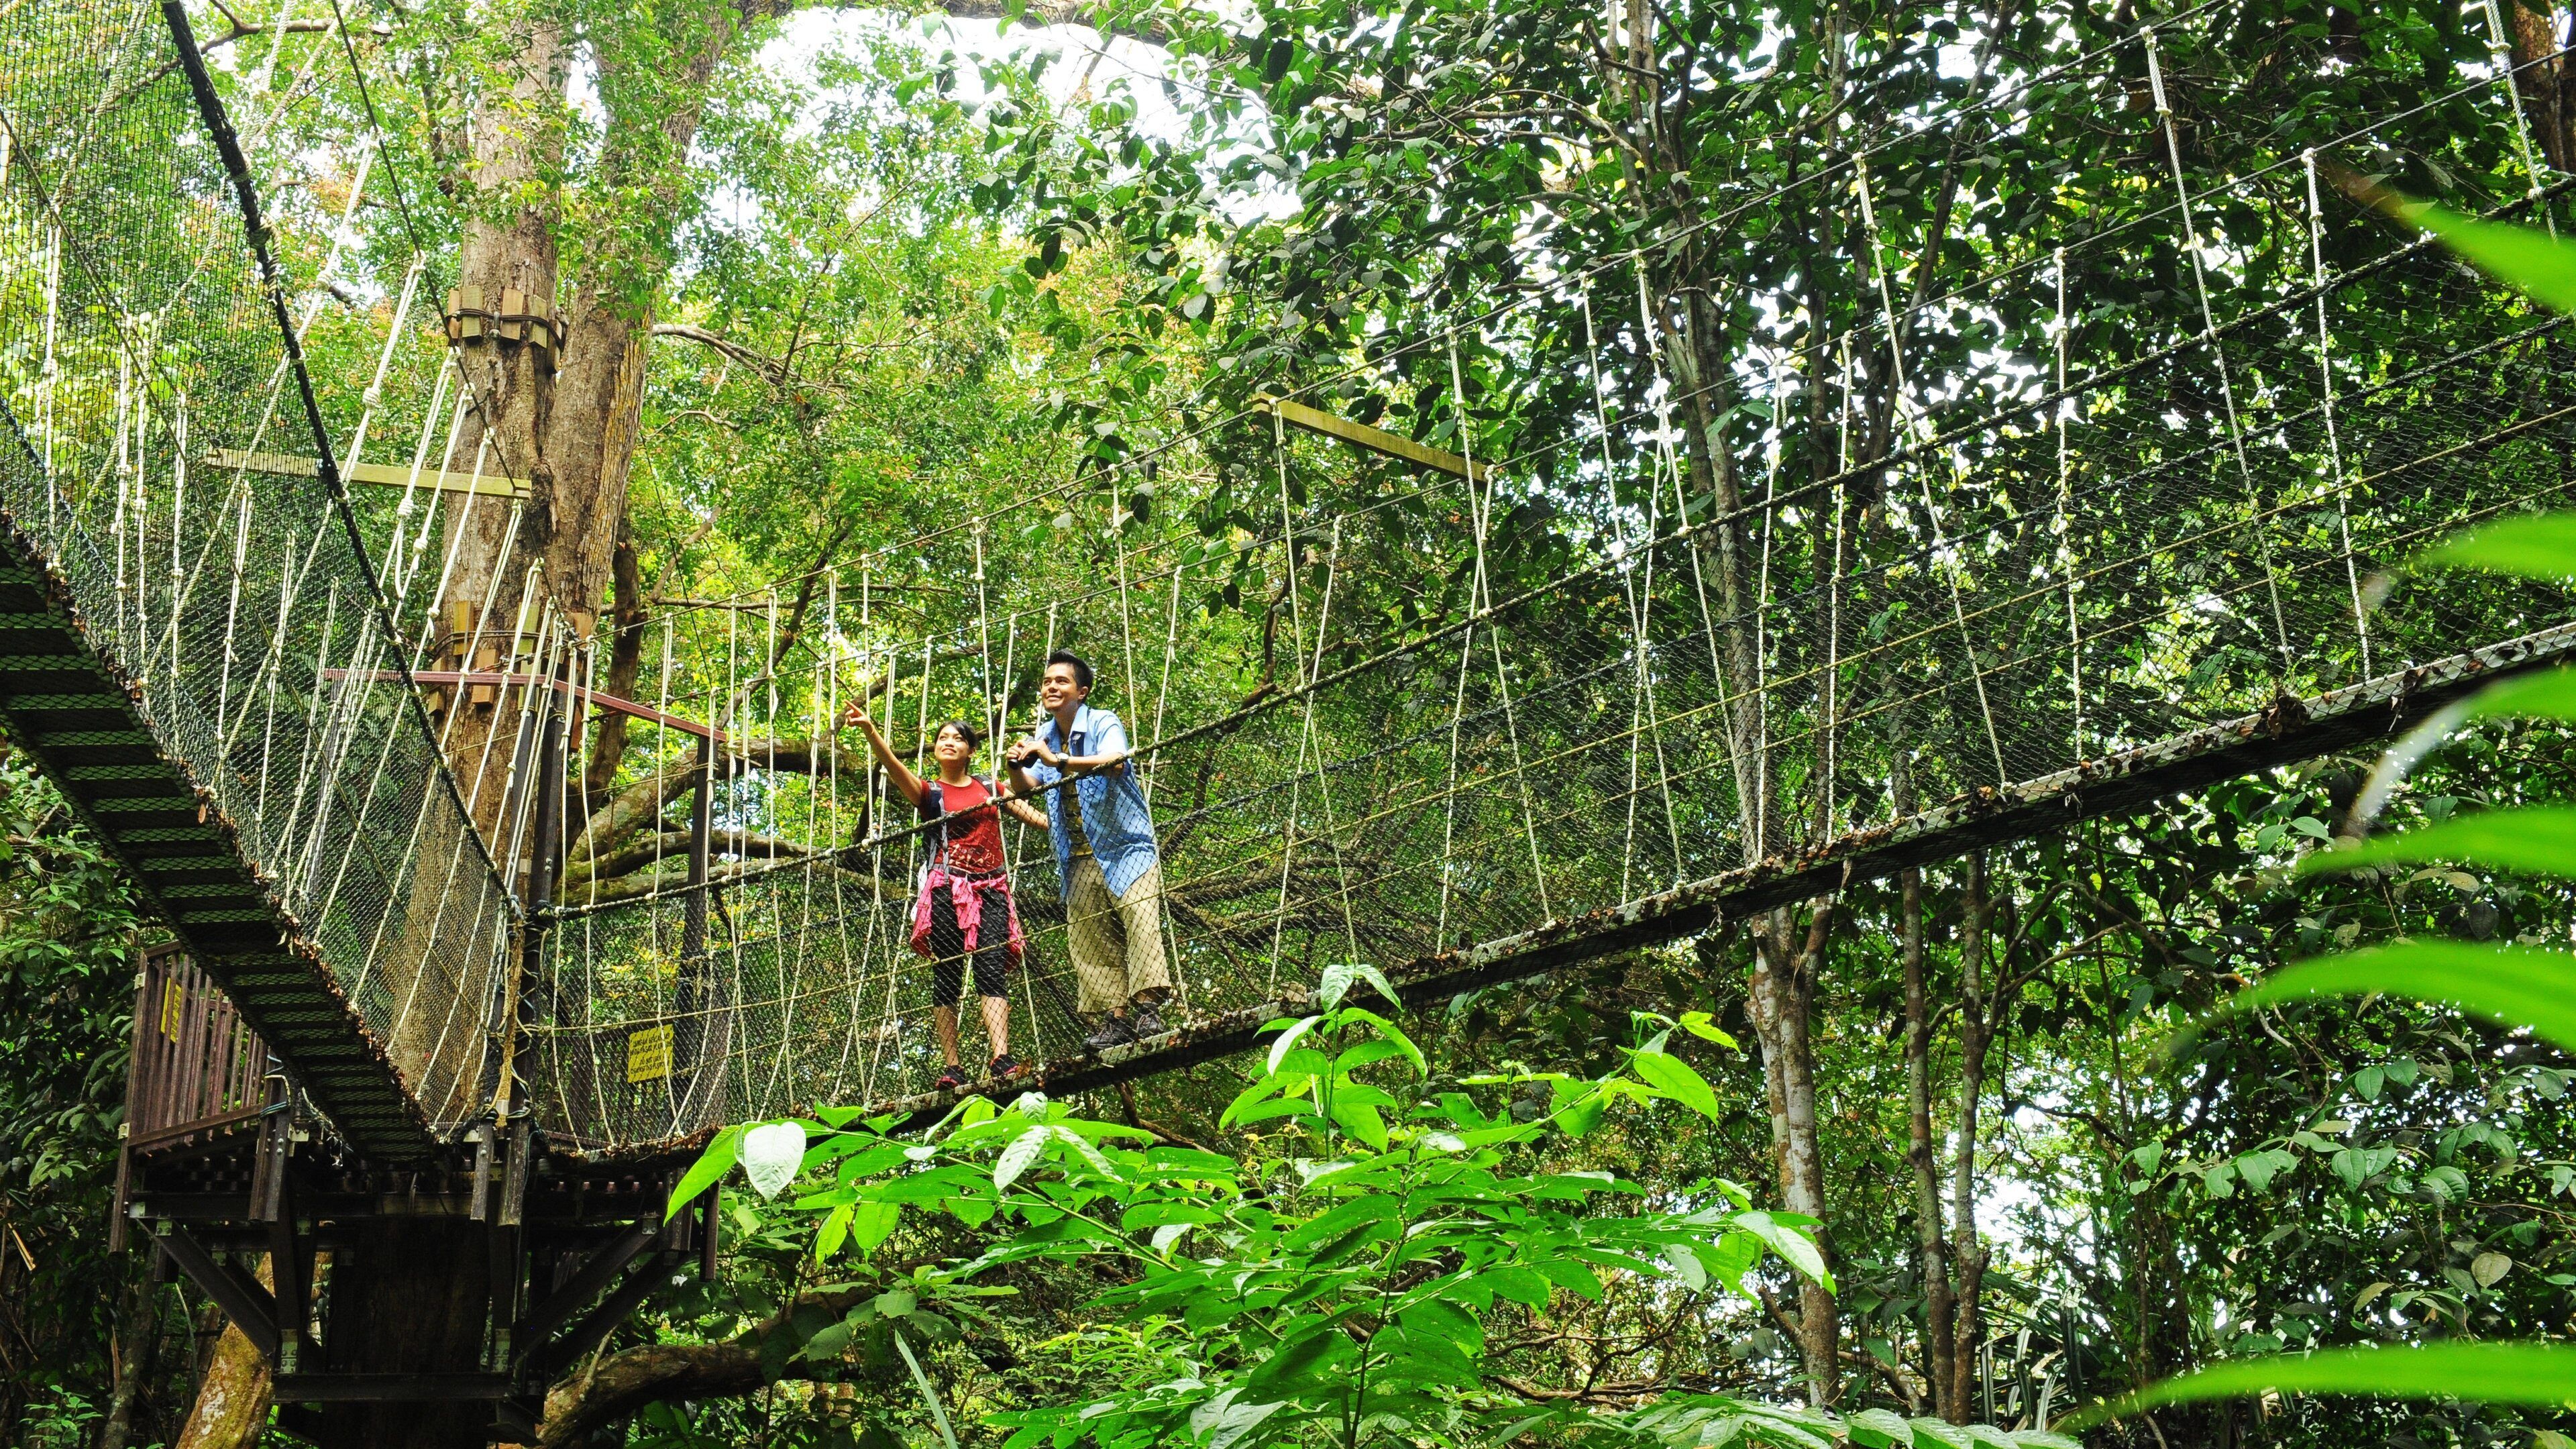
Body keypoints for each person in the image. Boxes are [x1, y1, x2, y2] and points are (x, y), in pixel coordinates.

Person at [844, 703, 1046, 1088]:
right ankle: (952, 1066)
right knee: (948, 974)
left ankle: (1001, 1056)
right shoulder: (930, 793)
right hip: (946, 889)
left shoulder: (991, 787)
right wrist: (872, 732)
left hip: (991, 888)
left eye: (958, 738)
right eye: (942, 738)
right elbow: (894, 769)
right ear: (935, 749)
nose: (949, 743)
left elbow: (1037, 819)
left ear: (971, 750)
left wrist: (1078, 817)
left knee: (990, 969)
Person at [1005, 650, 1173, 1049]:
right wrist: (1015, 767)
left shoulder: (1102, 721)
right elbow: (1028, 787)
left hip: (1125, 847)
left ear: (1081, 692)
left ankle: (1149, 1011)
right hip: (1076, 854)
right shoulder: (1044, 734)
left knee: (1141, 919)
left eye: (1061, 681)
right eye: (1047, 682)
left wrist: (1059, 759)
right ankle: (1115, 1021)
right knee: (1090, 936)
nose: (1051, 687)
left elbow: (1116, 761)